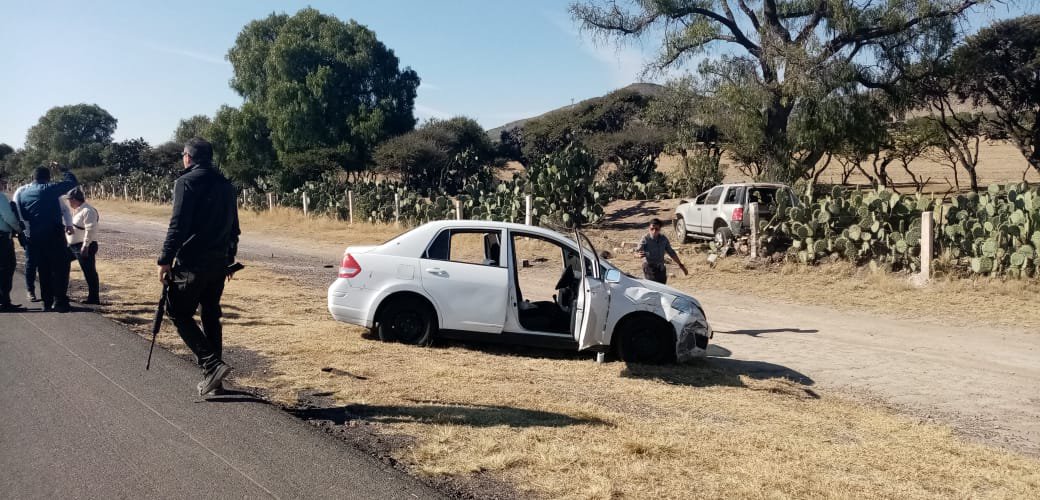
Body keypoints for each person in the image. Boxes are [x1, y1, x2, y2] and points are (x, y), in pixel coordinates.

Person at [158, 137, 240, 396]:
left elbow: (178, 225)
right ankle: (216, 380)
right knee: (210, 316)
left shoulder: (186, 182)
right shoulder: (226, 185)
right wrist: (229, 259)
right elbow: (234, 228)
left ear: (189, 157)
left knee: (178, 312)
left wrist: (165, 260)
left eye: (183, 154)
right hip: (218, 262)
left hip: (193, 262)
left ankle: (211, 364)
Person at [16, 163, 78, 312]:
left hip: (35, 238)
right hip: (54, 236)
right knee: (60, 269)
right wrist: (64, 169)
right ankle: (60, 301)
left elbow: (19, 215)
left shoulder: (23, 193)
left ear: (33, 177)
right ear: (48, 178)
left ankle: (47, 302)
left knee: (44, 270)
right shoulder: (49, 189)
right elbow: (72, 182)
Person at [64, 187, 101, 304]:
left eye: (70, 200)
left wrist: (85, 246)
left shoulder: (87, 211)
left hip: (85, 246)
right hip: (73, 245)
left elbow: (90, 230)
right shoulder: (78, 210)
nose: (68, 202)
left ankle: (94, 298)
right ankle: (61, 293)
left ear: (75, 199)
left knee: (89, 272)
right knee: (61, 263)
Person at [0, 177, 27, 312]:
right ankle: (4, 302)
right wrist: (18, 228)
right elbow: (8, 217)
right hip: (2, 238)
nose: (4, 185)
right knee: (6, 268)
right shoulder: (0, 197)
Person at [636, 218, 688, 284]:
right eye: (652, 229)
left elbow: (671, 253)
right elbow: (637, 252)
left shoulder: (663, 239)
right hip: (649, 268)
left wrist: (681, 265)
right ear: (649, 228)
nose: (654, 231)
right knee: (654, 287)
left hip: (661, 268)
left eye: (656, 229)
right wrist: (638, 255)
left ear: (660, 229)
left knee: (663, 287)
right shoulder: (645, 239)